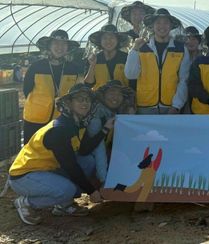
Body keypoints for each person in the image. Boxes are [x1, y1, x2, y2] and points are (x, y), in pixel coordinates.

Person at [8, 84, 111, 225]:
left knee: (87, 161)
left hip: (47, 169)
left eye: (87, 99)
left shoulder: (76, 123)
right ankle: (26, 203)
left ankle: (63, 205)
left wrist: (105, 129)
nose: (85, 103)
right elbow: (70, 165)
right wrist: (91, 191)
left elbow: (84, 150)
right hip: (24, 176)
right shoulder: (59, 130)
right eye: (79, 99)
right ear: (69, 103)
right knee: (67, 190)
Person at [22, 30, 84, 144]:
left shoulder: (72, 68)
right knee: (31, 148)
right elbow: (26, 90)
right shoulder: (36, 66)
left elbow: (76, 92)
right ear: (49, 46)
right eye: (56, 43)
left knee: (56, 149)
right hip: (35, 117)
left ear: (68, 48)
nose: (60, 47)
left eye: (63, 44)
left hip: (60, 118)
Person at [124, 8, 189, 114]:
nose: (162, 26)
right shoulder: (141, 47)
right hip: (145, 106)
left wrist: (176, 106)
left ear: (171, 26)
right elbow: (131, 75)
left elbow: (184, 80)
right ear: (152, 26)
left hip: (171, 107)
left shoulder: (181, 49)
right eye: (158, 23)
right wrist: (134, 50)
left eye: (166, 23)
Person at [86, 81, 136, 184]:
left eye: (119, 94)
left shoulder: (116, 112)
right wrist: (104, 180)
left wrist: (130, 117)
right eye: (112, 92)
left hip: (104, 154)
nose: (115, 97)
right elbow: (98, 150)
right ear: (103, 95)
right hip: (88, 157)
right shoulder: (95, 115)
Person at [84, 24, 130, 90]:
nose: (108, 41)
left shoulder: (126, 58)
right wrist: (92, 65)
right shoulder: (94, 58)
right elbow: (88, 84)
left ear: (117, 40)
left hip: (121, 95)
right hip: (99, 95)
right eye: (105, 38)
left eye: (111, 38)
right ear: (100, 41)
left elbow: (132, 81)